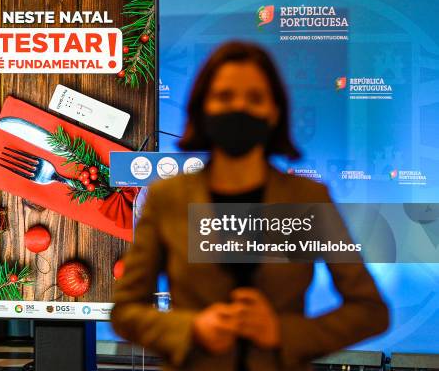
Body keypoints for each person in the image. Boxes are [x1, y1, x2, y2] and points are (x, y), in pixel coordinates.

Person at [110, 42, 389, 371]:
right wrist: (192, 329)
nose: (239, 107)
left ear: (275, 111)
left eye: (255, 98)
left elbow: (371, 311)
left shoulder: (307, 200)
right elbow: (125, 311)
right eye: (225, 97)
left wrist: (282, 333)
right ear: (203, 107)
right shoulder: (166, 198)